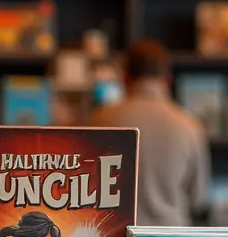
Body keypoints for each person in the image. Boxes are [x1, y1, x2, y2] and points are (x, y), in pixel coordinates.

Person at [89, 40, 211, 226]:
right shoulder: (189, 125)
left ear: (126, 77)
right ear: (167, 79)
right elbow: (198, 198)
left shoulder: (99, 120)